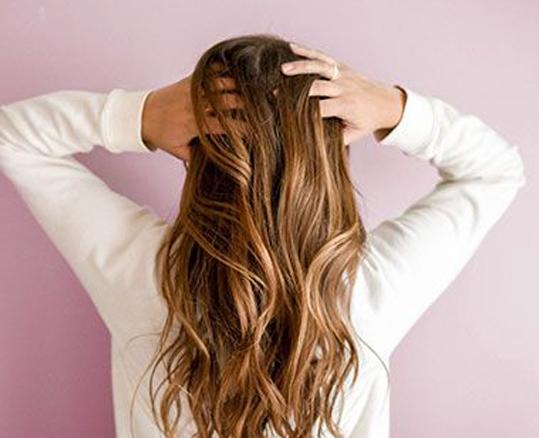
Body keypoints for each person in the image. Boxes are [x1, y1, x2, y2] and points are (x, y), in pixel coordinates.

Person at [0, 34, 526, 438]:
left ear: (195, 146)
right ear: (331, 155)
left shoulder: (142, 273)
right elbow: (496, 170)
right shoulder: (368, 292)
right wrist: (394, 109)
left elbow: (12, 137)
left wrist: (140, 115)